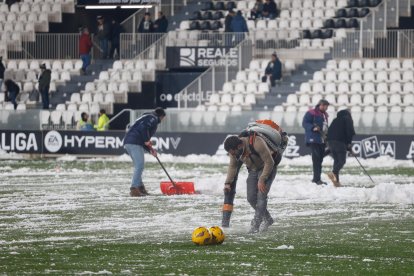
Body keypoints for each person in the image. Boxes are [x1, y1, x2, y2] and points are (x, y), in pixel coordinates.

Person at [222, 122, 286, 234]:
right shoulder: (233, 152)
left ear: (240, 146)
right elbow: (232, 167)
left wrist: (262, 179)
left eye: (234, 152)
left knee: (261, 196)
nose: (234, 155)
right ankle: (268, 219)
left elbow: (269, 162)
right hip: (252, 170)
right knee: (251, 198)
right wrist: (228, 183)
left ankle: (255, 225)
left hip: (267, 169)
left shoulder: (257, 142)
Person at [123, 108, 166, 197]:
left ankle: (140, 187)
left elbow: (144, 139)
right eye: (163, 118)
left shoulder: (146, 117)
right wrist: (147, 140)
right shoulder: (152, 118)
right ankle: (134, 189)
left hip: (130, 142)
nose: (162, 120)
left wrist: (151, 150)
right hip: (134, 142)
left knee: (138, 166)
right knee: (139, 165)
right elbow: (144, 129)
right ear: (161, 116)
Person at [302, 99, 330, 185]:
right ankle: (316, 179)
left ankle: (317, 179)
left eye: (327, 106)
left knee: (319, 160)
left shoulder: (325, 115)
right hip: (313, 139)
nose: (326, 108)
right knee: (317, 159)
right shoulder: (311, 113)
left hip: (321, 140)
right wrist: (312, 127)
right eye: (325, 106)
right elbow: (304, 123)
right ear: (320, 105)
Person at [327, 109, 355, 187]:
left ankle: (336, 182)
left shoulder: (335, 120)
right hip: (339, 142)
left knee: (336, 161)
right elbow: (349, 132)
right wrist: (349, 143)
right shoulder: (347, 119)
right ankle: (333, 173)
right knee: (342, 161)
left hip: (331, 142)